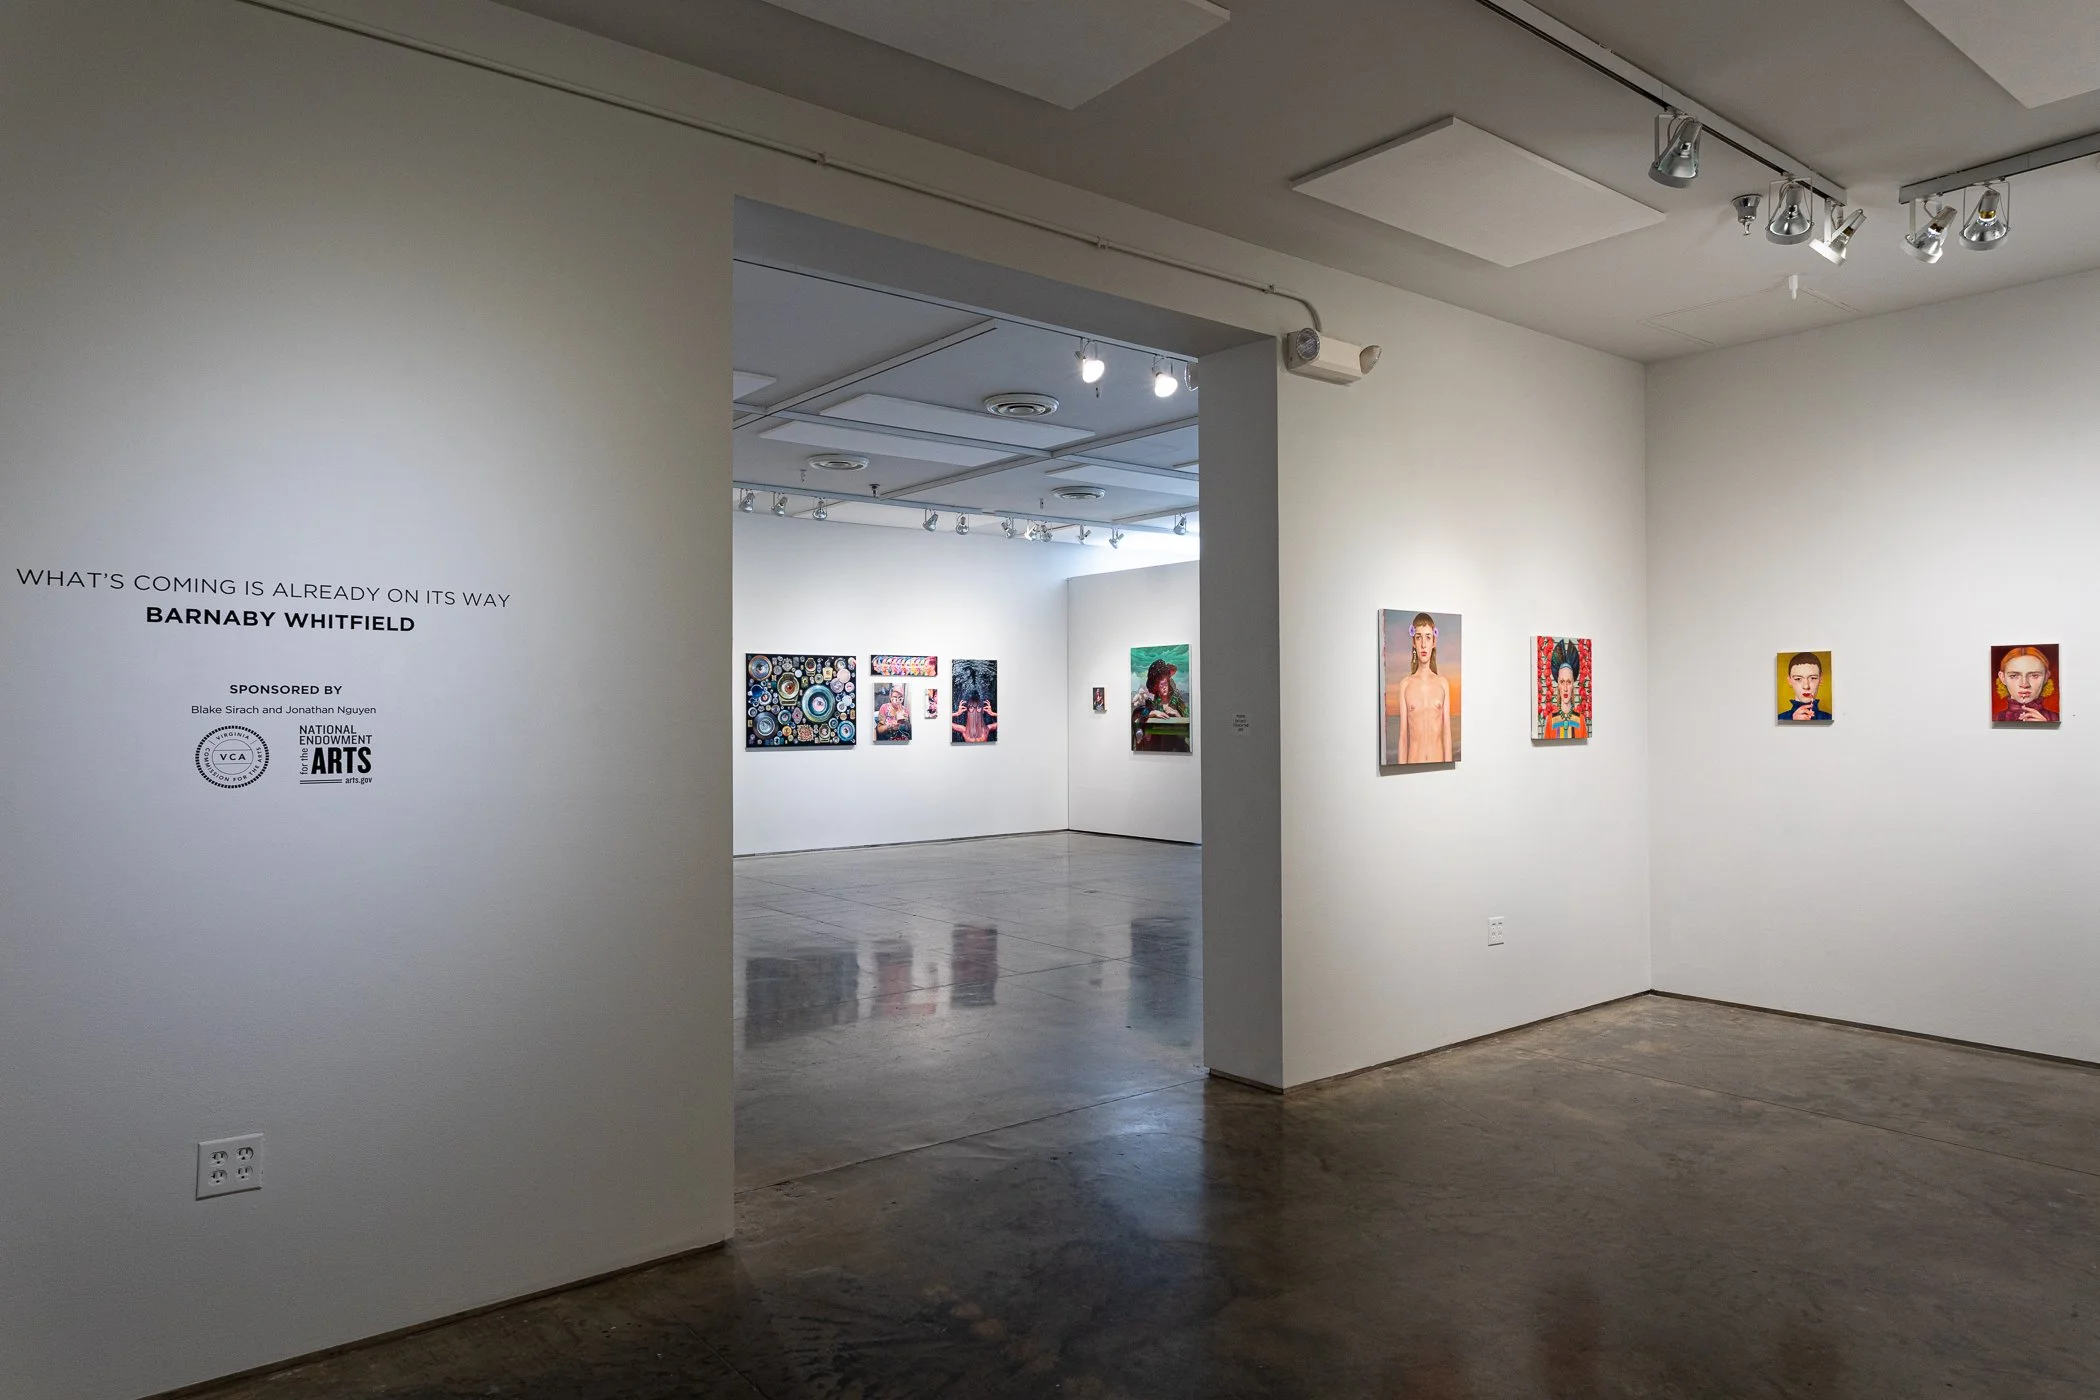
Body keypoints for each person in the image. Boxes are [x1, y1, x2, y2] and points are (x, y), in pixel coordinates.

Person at [1395, 613, 1453, 763]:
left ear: (1434, 642)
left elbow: (1447, 735)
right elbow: (1403, 738)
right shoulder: (1405, 685)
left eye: (1428, 637)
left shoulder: (1443, 684)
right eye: (1418, 637)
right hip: (1412, 765)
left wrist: (1449, 769)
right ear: (1413, 642)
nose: (1423, 644)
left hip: (1439, 767)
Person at [1132, 657, 1190, 753]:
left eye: (1166, 684)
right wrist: (1153, 713)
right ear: (1157, 687)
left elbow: (1189, 730)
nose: (1164, 688)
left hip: (1178, 749)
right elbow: (1139, 714)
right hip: (1158, 750)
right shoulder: (1154, 703)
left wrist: (1177, 714)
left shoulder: (1177, 701)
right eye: (1161, 685)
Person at [1995, 646, 2059, 723]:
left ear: (2046, 677)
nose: (2024, 684)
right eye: (2014, 676)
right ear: (2002, 678)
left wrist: (2047, 727)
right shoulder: (1994, 719)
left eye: (2034, 675)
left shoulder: (2057, 718)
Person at [1542, 639, 1587, 740]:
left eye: (1569, 682)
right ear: (1558, 685)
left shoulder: (1581, 720)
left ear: (1573, 685)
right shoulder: (1550, 720)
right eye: (1562, 682)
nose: (1565, 688)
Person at [1778, 652, 1831, 723]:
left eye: (1813, 678)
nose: (1806, 686)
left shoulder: (1830, 718)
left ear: (1820, 679)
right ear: (1789, 681)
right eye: (1798, 679)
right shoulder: (1779, 719)